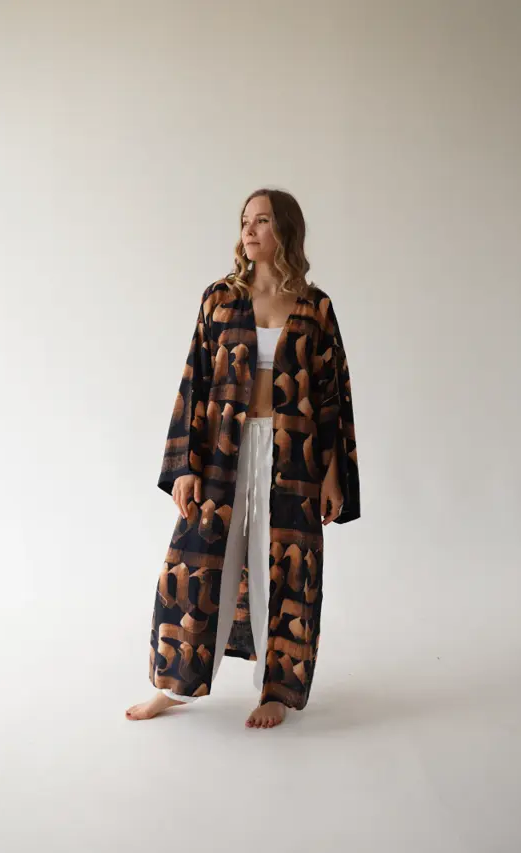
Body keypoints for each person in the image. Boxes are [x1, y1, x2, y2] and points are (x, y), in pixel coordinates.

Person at [126, 188, 360, 729]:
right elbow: (194, 384)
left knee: (286, 568)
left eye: (263, 221)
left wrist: (332, 475)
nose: (249, 230)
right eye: (245, 221)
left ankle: (276, 690)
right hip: (221, 452)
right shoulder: (220, 299)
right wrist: (185, 466)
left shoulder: (315, 307)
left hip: (293, 455)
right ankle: (173, 684)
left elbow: (332, 398)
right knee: (197, 559)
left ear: (286, 231)